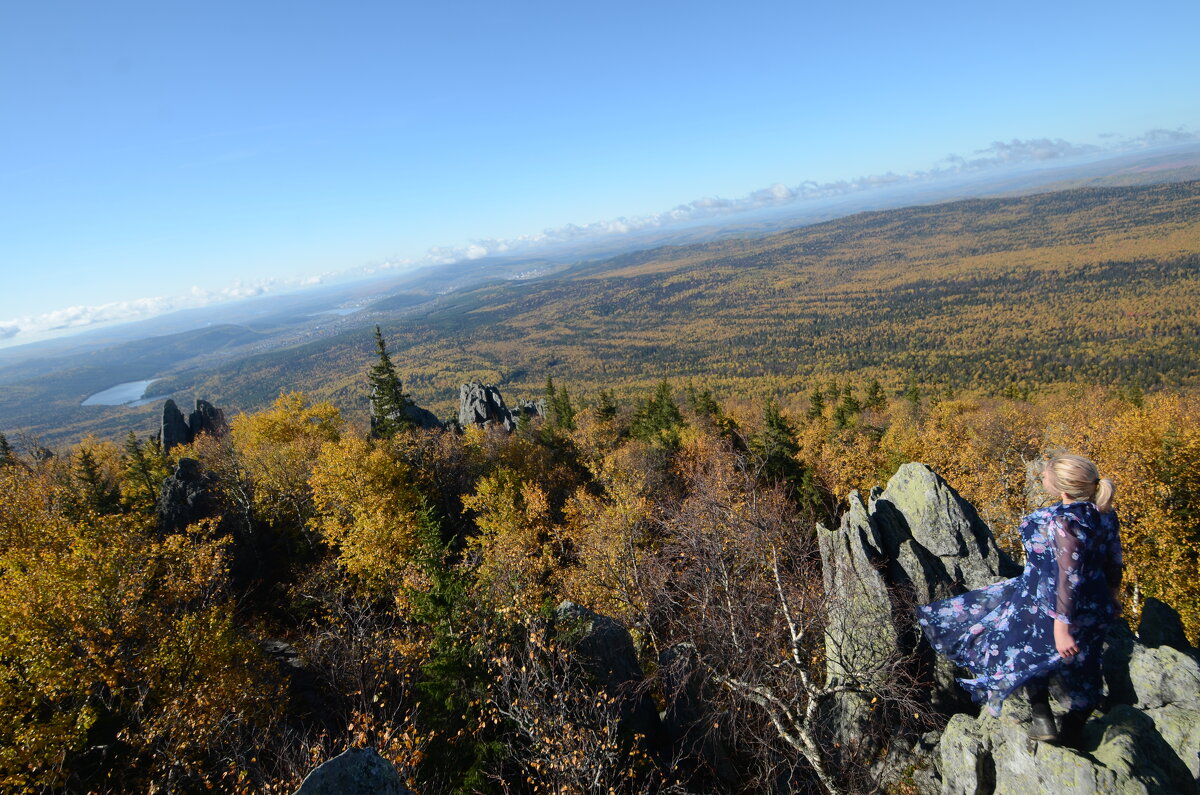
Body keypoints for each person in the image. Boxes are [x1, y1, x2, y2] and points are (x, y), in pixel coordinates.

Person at [916, 454, 1122, 746]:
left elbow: (1068, 577)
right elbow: (1114, 561)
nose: (1042, 479)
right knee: (1086, 672)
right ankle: (1067, 727)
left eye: (1046, 476)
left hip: (1050, 608)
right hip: (1093, 607)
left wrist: (1061, 627)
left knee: (1021, 653)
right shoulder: (1103, 513)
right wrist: (1111, 599)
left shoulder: (1063, 523)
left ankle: (1046, 719)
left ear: (1062, 489)